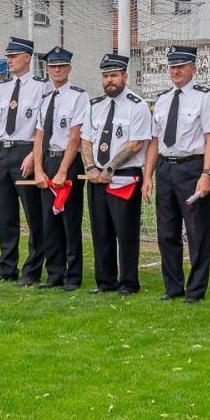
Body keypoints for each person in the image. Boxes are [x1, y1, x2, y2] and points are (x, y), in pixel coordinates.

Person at [144, 45, 210, 304]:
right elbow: (155, 141)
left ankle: (196, 290)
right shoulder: (163, 99)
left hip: (192, 168)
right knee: (166, 231)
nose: (176, 71)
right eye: (172, 67)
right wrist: (148, 176)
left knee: (197, 232)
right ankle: (173, 287)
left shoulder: (204, 97)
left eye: (181, 66)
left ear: (193, 68)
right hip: (166, 168)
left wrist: (206, 174)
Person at [83, 53, 153, 295]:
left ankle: (129, 282)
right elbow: (86, 139)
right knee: (101, 231)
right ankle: (105, 281)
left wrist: (110, 168)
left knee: (126, 231)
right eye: (105, 76)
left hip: (124, 176)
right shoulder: (94, 106)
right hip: (96, 178)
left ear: (125, 76)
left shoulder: (138, 105)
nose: (109, 80)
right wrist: (91, 167)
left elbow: (136, 144)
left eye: (114, 75)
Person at [0, 36, 52, 284]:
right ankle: (6, 267)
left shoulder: (42, 86)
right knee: (5, 214)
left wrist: (32, 156)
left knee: (33, 215)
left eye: (13, 56)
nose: (9, 61)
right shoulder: (0, 88)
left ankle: (33, 270)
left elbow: (44, 126)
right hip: (2, 152)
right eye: (8, 57)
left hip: (27, 150)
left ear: (27, 57)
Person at [31, 46, 90, 291]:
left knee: (69, 220)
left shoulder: (78, 96)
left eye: (61, 66)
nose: (56, 70)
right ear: (47, 69)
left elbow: (75, 137)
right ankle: (54, 273)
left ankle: (73, 275)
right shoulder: (45, 99)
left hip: (68, 162)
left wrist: (64, 170)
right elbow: (39, 135)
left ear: (69, 69)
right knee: (49, 221)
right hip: (47, 161)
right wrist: (38, 169)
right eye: (53, 66)